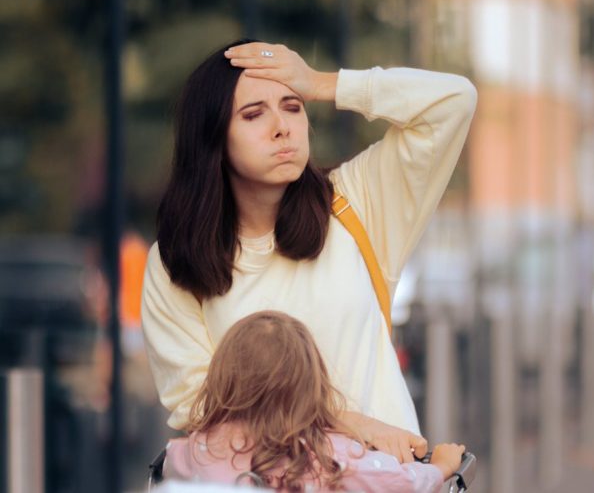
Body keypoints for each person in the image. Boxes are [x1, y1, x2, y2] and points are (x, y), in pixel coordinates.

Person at [141, 39, 477, 462]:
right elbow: (200, 406)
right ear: (213, 139)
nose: (282, 126)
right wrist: (346, 419)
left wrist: (321, 84)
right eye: (253, 114)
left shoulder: (356, 203)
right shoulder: (176, 262)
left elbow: (454, 101)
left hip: (385, 482)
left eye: (293, 106)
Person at [163, 311, 466, 491]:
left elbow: (168, 467)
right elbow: (401, 484)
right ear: (311, 386)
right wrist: (440, 467)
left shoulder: (196, 448)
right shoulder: (330, 456)